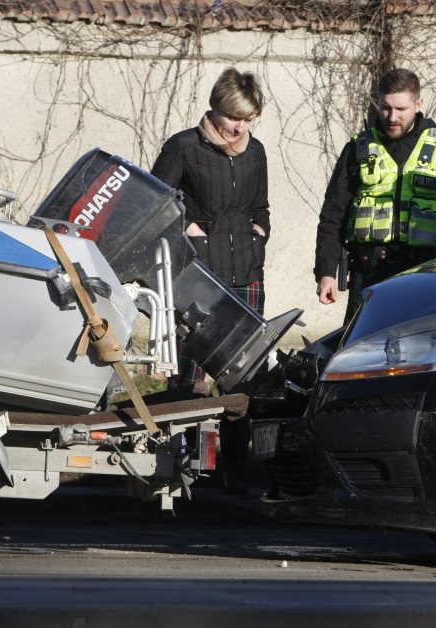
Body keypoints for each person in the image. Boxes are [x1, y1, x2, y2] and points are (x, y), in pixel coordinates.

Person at [151, 67, 268, 494]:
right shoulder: (183, 147)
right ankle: (177, 468)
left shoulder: (256, 152)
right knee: (189, 378)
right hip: (199, 278)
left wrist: (260, 234)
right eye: (233, 117)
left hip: (247, 275)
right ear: (215, 107)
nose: (239, 127)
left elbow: (261, 207)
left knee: (244, 379)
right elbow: (155, 203)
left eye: (248, 119)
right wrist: (188, 229)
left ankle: (235, 473)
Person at [314, 68, 436, 323]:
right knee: (360, 351)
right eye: (385, 107)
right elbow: (333, 213)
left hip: (427, 274)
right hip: (369, 272)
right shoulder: (359, 148)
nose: (392, 117)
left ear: (418, 104)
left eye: (401, 109)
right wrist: (326, 271)